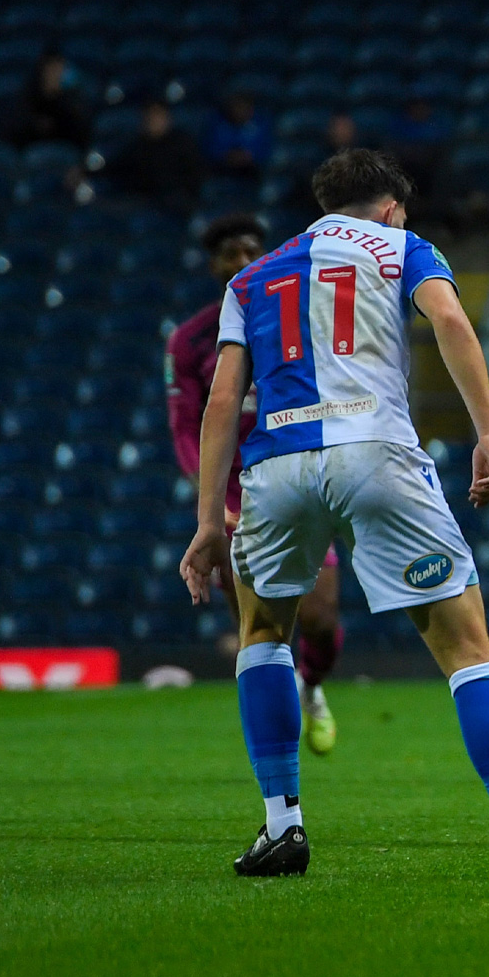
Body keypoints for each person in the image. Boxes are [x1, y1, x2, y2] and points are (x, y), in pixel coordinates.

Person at [178, 149, 489, 880]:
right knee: (467, 648)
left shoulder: (250, 278)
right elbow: (452, 325)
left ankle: (282, 828)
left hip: (275, 465)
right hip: (376, 451)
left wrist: (210, 521)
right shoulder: (406, 247)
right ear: (391, 207)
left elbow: (219, 401)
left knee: (262, 633)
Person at [167, 213, 345, 754]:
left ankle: (310, 687)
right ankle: (276, 766)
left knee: (319, 618)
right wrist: (213, 504)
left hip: (298, 480)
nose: (241, 261)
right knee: (259, 631)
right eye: (229, 253)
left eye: (250, 250)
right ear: (213, 264)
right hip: (237, 501)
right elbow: (187, 428)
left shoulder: (296, 319)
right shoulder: (190, 341)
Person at [108, 100, 205, 211]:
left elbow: (196, 174)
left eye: (157, 115)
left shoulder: (182, 143)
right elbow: (117, 170)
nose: (153, 120)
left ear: (167, 118)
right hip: (143, 200)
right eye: (149, 116)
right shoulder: (137, 146)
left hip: (176, 200)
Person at [4, 50, 91, 150]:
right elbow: (14, 133)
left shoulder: (71, 101)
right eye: (51, 69)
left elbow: (81, 135)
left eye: (59, 68)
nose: (55, 73)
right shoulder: (26, 99)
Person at [203, 94, 271, 181]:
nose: (238, 111)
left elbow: (267, 150)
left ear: (250, 109)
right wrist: (226, 156)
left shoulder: (262, 124)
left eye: (242, 107)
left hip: (253, 173)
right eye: (235, 107)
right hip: (221, 172)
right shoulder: (217, 124)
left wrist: (250, 156)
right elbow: (209, 149)